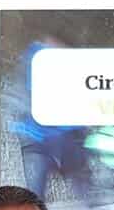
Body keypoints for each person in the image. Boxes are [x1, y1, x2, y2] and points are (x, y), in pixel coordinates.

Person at [9, 37, 88, 200]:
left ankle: (93, 207)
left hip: (44, 137)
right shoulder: (39, 60)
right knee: (40, 186)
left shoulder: (38, 59)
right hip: (41, 137)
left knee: (41, 187)